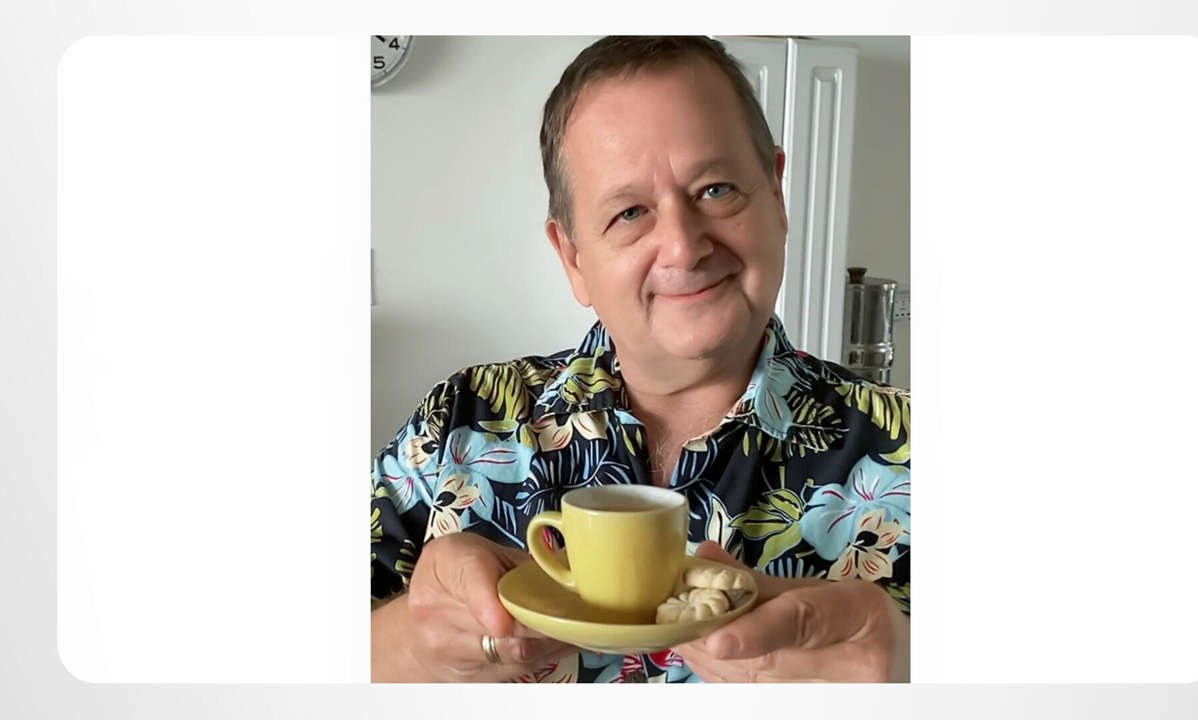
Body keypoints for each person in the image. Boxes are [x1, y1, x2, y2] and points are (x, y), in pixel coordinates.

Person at [370, 35, 910, 683]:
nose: (683, 247)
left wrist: (913, 673)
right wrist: (410, 649)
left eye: (716, 190)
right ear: (573, 258)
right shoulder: (455, 422)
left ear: (776, 195)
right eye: (629, 212)